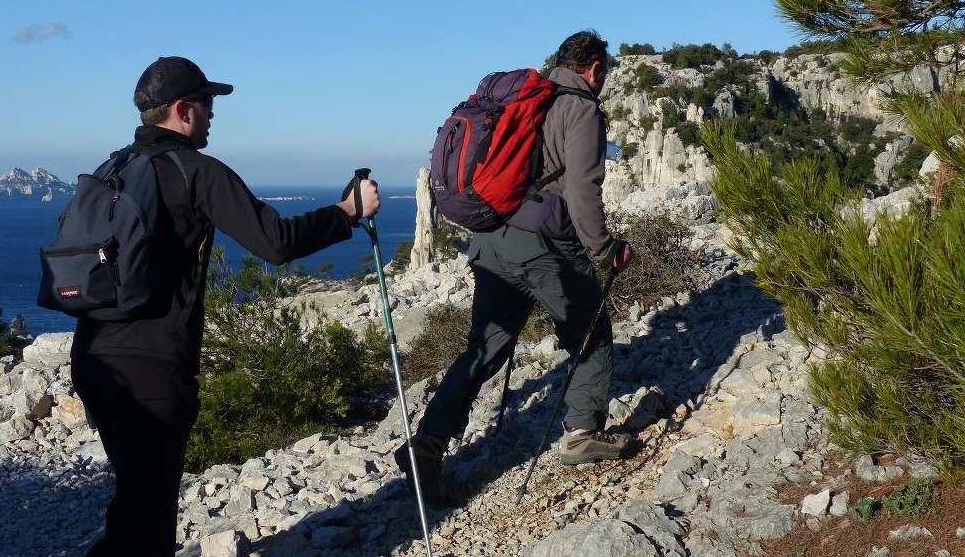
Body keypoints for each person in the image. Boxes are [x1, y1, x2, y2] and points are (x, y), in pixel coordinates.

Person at [70, 56, 380, 557]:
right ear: (182, 109)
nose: (213, 114)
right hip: (152, 371)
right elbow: (276, 242)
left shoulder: (115, 167)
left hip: (93, 360)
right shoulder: (195, 171)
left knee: (135, 509)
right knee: (144, 527)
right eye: (207, 103)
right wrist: (347, 212)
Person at [396, 30, 633, 505]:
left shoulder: (526, 99)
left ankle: (428, 442)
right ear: (595, 69)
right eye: (603, 73)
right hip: (544, 242)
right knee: (590, 329)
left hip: (491, 239)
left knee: (485, 347)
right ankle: (584, 431)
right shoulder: (580, 108)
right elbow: (584, 191)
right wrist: (606, 250)